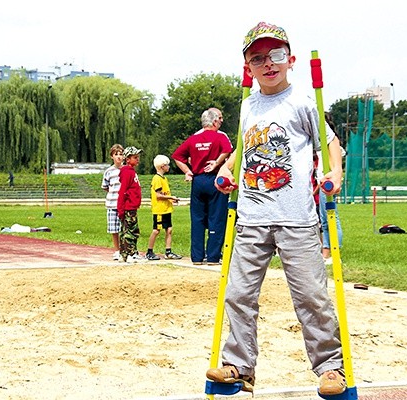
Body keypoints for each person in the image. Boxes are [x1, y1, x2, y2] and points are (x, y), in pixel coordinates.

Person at [206, 22, 346, 396]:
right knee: (238, 293)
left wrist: (336, 171)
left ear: (291, 59)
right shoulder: (247, 106)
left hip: (296, 218)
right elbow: (241, 149)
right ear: (247, 68)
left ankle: (331, 368)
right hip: (252, 219)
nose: (269, 63)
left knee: (311, 297)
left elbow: (331, 145)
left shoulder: (303, 101)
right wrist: (226, 168)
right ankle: (239, 365)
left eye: (277, 56)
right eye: (258, 58)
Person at [171, 108, 232, 265]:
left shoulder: (193, 139)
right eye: (219, 119)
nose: (220, 122)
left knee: (197, 219)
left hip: (198, 181)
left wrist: (188, 171)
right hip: (215, 180)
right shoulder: (219, 137)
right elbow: (228, 150)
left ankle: (197, 257)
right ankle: (212, 257)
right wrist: (217, 162)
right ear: (213, 122)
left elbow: (177, 156)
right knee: (217, 218)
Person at [316, 114, 344, 265]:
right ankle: (326, 253)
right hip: (321, 181)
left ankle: (333, 253)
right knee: (325, 220)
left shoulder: (331, 144)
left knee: (331, 218)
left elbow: (336, 162)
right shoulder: (320, 143)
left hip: (327, 183)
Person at [145, 155, 183, 261]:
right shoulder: (157, 179)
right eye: (167, 165)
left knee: (169, 229)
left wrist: (171, 200)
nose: (169, 167)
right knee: (156, 230)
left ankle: (168, 251)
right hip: (160, 210)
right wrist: (171, 197)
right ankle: (149, 251)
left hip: (166, 209)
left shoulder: (164, 178)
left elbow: (164, 194)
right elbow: (158, 195)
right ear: (162, 166)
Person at [117, 146, 144, 263]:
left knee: (126, 230)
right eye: (135, 157)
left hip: (131, 206)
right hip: (129, 207)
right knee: (131, 231)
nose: (137, 160)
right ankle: (131, 253)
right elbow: (123, 191)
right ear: (127, 159)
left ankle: (123, 254)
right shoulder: (127, 172)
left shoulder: (131, 171)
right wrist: (121, 209)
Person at [102, 144, 125, 261]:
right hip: (112, 204)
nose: (119, 157)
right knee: (114, 229)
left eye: (121, 154)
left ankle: (125, 249)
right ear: (112, 156)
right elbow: (105, 186)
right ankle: (117, 250)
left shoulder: (126, 170)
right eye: (116, 154)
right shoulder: (109, 171)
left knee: (124, 228)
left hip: (124, 204)